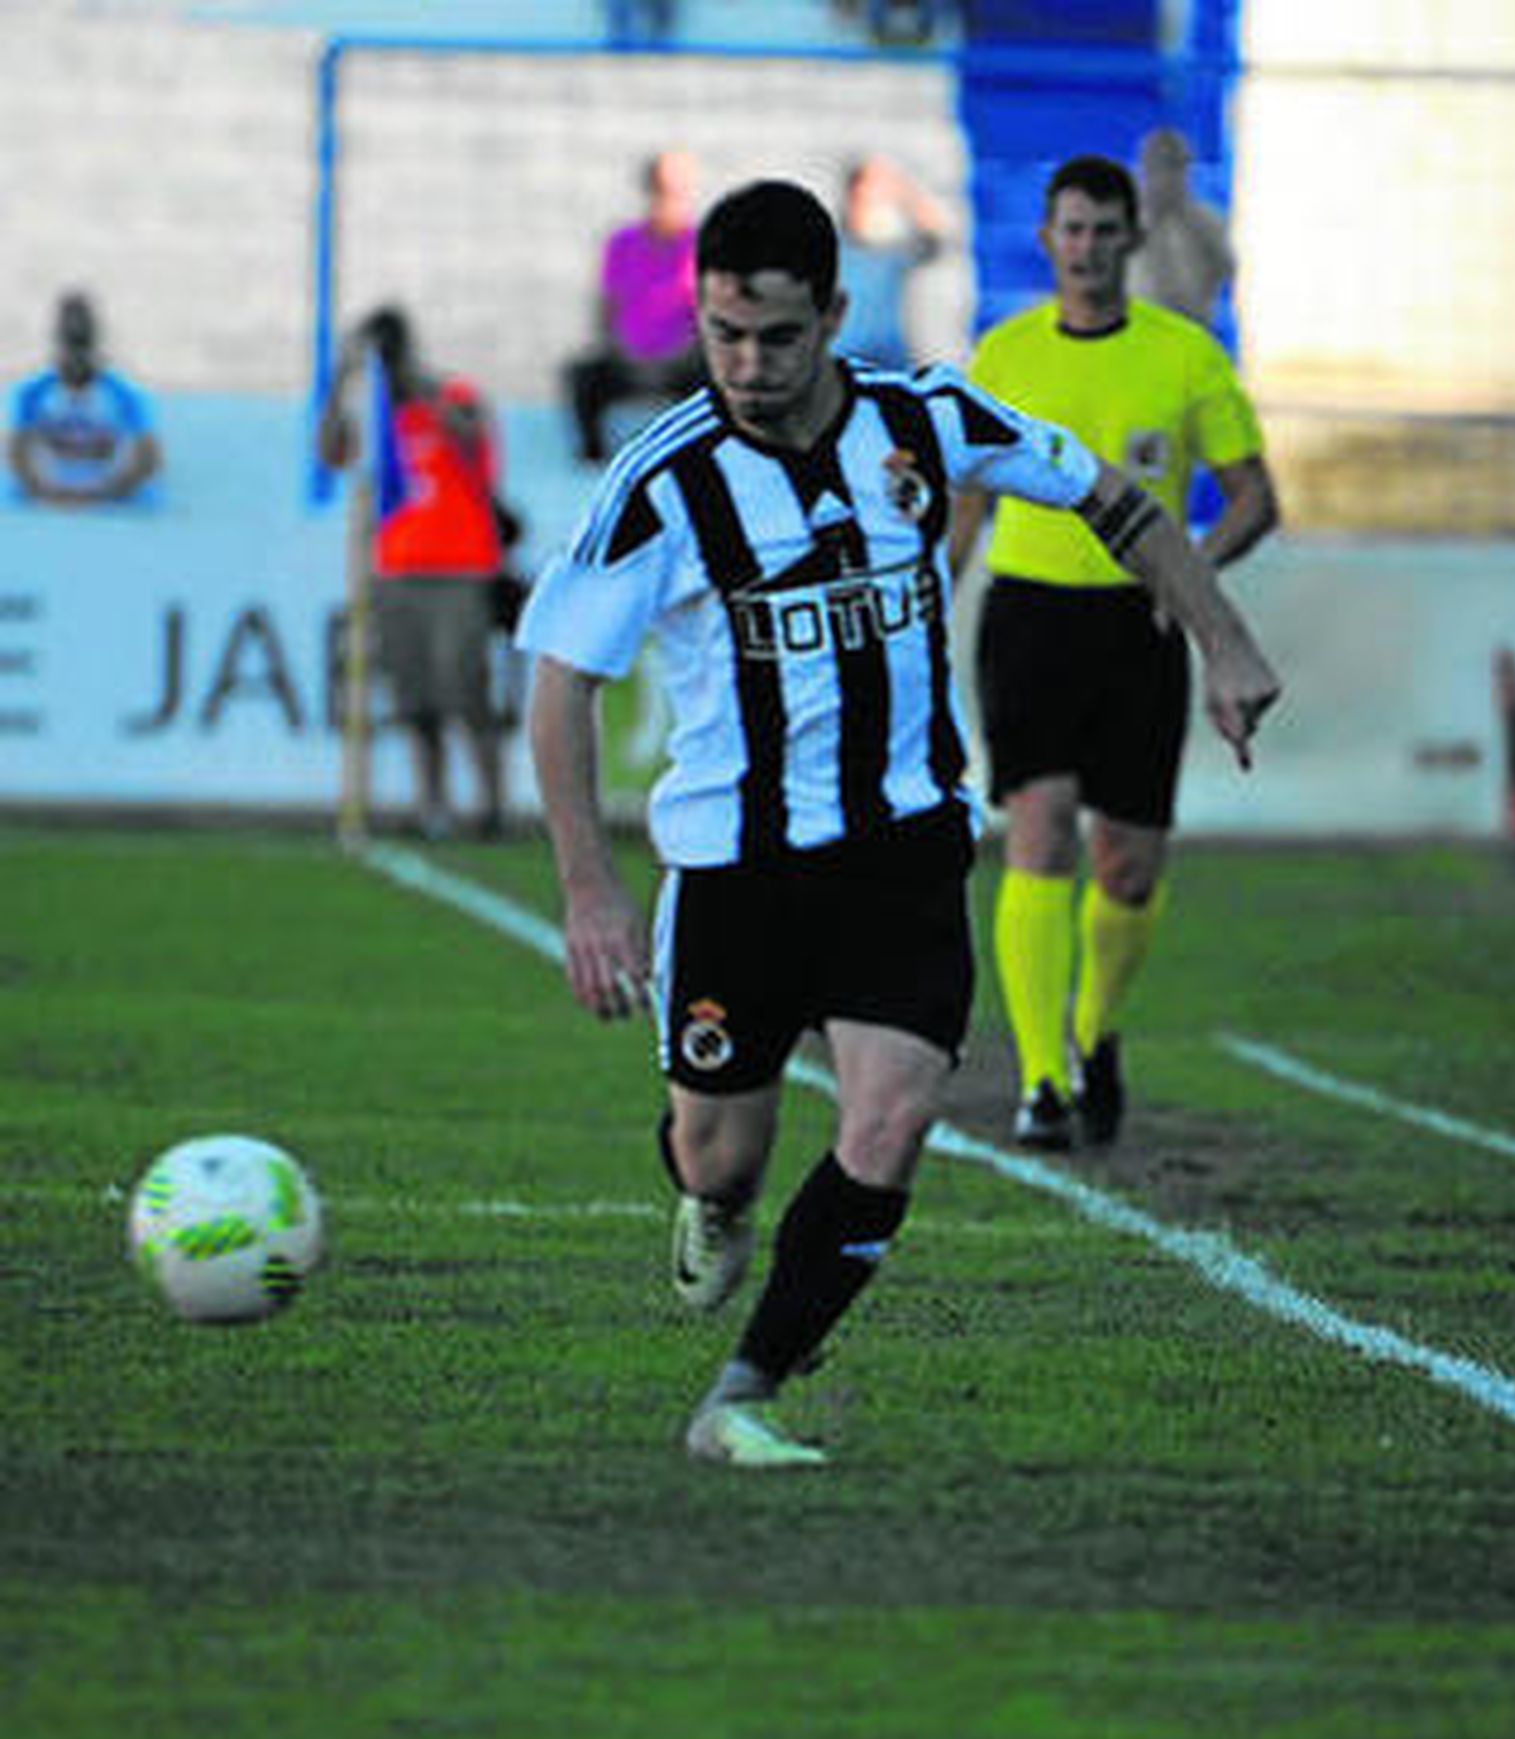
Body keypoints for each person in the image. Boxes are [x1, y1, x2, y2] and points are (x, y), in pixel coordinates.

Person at [520, 178, 1279, 1469]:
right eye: (722, 335)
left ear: (831, 314)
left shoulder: (922, 417)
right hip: (735, 869)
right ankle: (710, 1201)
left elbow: (1114, 497)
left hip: (902, 849)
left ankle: (741, 1393)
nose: (748, 366)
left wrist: (1225, 638)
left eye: (776, 335)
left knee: (891, 1116)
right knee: (722, 1151)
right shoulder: (663, 483)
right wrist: (591, 892)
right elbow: (559, 684)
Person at [950, 154, 1279, 1151]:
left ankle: (1094, 1029)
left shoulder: (1184, 356)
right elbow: (968, 500)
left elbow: (1256, 497)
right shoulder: (1001, 356)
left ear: (1133, 239)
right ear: (1045, 240)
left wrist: (1186, 575)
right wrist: (930, 604)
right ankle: (1042, 1077)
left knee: (1126, 865)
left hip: (1141, 632)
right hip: (1029, 617)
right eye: (1071, 230)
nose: (1087, 249)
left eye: (1104, 230)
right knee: (1038, 827)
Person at [316, 305, 507, 840]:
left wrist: (426, 394)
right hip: (397, 568)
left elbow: (477, 443)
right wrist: (340, 384)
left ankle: (490, 807)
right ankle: (433, 806)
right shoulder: (377, 419)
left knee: (466, 690)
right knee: (415, 699)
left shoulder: (450, 396)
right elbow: (329, 454)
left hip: (461, 568)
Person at [565, 149, 702, 463]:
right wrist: (621, 353)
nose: (668, 199)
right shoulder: (623, 242)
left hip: (684, 364)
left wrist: (679, 357)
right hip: (626, 361)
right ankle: (593, 460)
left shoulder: (702, 243)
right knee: (580, 375)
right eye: (662, 189)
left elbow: (709, 317)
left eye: (677, 191)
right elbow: (607, 309)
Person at [7, 291, 161, 506]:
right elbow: (17, 456)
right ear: (60, 344)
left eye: (82, 346)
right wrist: (44, 491)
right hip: (53, 497)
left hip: (110, 498)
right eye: (72, 346)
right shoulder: (31, 394)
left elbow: (149, 460)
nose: (76, 357)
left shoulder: (124, 396)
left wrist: (106, 493)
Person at [834, 154, 953, 369]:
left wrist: (906, 195)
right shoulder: (834, 246)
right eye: (875, 185)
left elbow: (936, 238)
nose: (882, 194)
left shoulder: (893, 249)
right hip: (844, 358)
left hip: (888, 359)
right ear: (857, 190)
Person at [1128, 127, 1236, 329]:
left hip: (1192, 332)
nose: (1166, 178)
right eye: (1157, 167)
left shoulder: (1207, 223)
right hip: (1137, 334)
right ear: (1144, 169)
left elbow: (1232, 273)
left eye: (1175, 168)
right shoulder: (1122, 223)